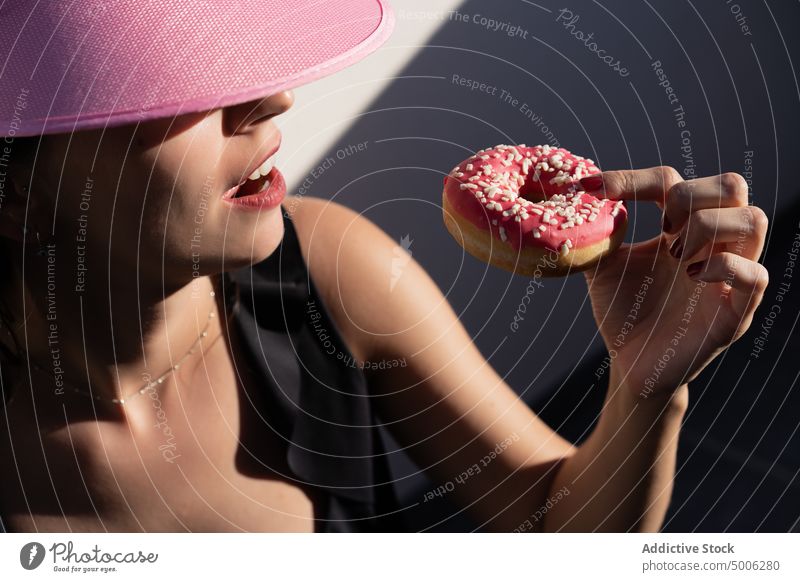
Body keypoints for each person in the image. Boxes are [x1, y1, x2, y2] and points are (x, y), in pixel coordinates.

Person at [0, 1, 769, 533]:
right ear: (20, 194)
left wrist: (646, 386)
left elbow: (563, 528)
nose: (272, 101)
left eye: (232, 53)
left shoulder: (336, 274)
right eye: (164, 84)